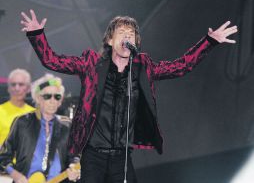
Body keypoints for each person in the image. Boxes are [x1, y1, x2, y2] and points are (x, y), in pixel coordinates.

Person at [20, 9, 238, 183]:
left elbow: (181, 66)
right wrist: (36, 35)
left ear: (136, 42)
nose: (127, 36)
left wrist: (210, 41)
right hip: (93, 155)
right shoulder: (91, 64)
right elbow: (52, 61)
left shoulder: (144, 68)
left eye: (131, 34)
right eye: (122, 33)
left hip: (121, 157)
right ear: (109, 40)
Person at [0, 73, 80, 183]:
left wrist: (73, 167)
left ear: (60, 101)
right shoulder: (22, 122)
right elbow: (3, 156)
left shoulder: (67, 125)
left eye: (57, 97)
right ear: (38, 98)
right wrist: (16, 175)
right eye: (47, 96)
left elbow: (74, 156)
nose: (53, 101)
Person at [0, 68, 35, 147]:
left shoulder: (35, 113)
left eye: (21, 84)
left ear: (28, 88)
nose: (17, 88)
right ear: (8, 88)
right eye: (13, 84)